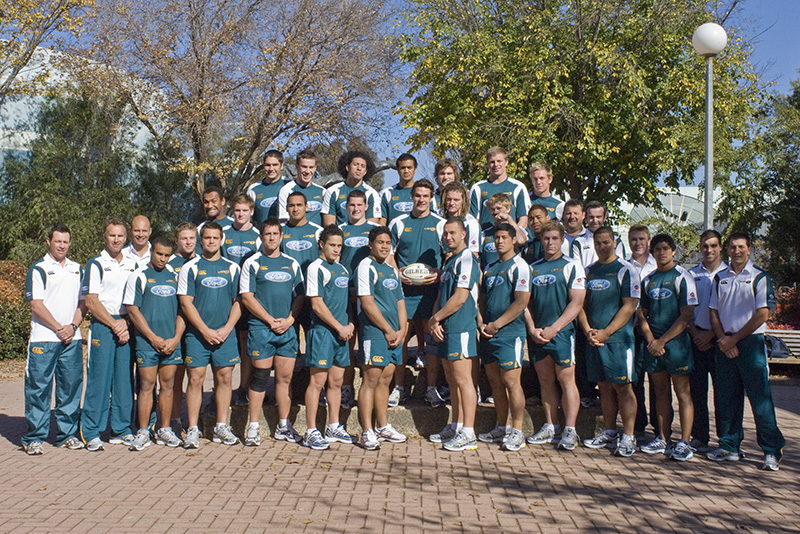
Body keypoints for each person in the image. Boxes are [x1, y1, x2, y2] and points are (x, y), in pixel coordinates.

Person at [708, 232, 785, 471]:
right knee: (727, 398)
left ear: (749, 249)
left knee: (760, 400)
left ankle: (772, 451)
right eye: (732, 247)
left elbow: (763, 314)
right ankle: (730, 446)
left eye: (741, 247)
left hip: (750, 343)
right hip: (725, 344)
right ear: (727, 250)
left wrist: (734, 340)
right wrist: (723, 339)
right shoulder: (720, 278)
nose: (736, 251)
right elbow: (713, 312)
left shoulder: (759, 276)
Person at [239, 218, 305, 446]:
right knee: (259, 378)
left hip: (286, 330)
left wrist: (289, 321)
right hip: (261, 329)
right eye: (267, 234)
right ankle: (253, 427)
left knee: (284, 379)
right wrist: (269, 320)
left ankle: (283, 426)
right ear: (261, 237)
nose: (271, 237)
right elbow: (247, 297)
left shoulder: (291, 263)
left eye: (275, 233)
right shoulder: (252, 263)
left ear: (281, 236)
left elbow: (300, 297)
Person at [22, 224, 87, 455]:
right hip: (44, 339)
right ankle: (34, 437)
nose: (61, 245)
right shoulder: (38, 269)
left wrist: (72, 327)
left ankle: (66, 435)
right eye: (57, 241)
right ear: (48, 241)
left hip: (72, 338)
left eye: (65, 241)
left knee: (70, 388)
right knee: (38, 388)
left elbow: (84, 302)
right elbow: (36, 304)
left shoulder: (77, 269)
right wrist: (59, 328)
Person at [177, 222, 242, 448]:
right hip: (197, 336)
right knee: (195, 380)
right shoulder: (190, 268)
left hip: (225, 334)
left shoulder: (233, 268)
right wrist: (204, 330)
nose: (211, 241)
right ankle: (193, 429)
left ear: (222, 240)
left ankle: (221, 427)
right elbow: (186, 304)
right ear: (200, 240)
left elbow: (239, 302)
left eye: (215, 238)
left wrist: (225, 329)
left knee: (224, 379)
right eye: (207, 238)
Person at [577, 227, 640, 457]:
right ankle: (610, 431)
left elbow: (629, 305)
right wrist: (588, 331)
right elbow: (580, 305)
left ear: (614, 242)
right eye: (598, 243)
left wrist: (607, 332)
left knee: (623, 387)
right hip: (594, 341)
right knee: (603, 387)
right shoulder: (589, 271)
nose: (602, 247)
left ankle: (629, 436)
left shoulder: (626, 270)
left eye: (606, 242)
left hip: (619, 341)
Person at [525, 220, 586, 450]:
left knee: (566, 380)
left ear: (562, 240)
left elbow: (577, 302)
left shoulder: (572, 265)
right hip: (539, 334)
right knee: (545, 380)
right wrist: (533, 329)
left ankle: (570, 430)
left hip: (561, 334)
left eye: (554, 238)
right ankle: (551, 426)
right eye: (546, 238)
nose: (550, 242)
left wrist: (555, 328)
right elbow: (525, 302)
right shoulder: (533, 268)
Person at [80, 219, 140, 451]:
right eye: (112, 235)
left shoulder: (132, 263)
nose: (116, 240)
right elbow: (91, 301)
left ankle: (121, 430)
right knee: (99, 380)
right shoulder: (96, 263)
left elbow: (135, 297)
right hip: (104, 326)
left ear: (125, 238)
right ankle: (91, 431)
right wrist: (115, 324)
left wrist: (124, 323)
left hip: (126, 324)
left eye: (120, 236)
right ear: (105, 237)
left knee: (125, 379)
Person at [637, 233, 697, 461]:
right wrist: (652, 340)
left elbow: (686, 315)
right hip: (653, 346)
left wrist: (663, 341)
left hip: (676, 345)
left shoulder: (683, 277)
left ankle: (685, 442)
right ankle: (662, 437)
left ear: (673, 251)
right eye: (657, 249)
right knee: (660, 392)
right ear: (652, 253)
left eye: (665, 248)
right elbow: (641, 313)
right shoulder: (649, 279)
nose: (661, 253)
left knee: (682, 393)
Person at [124, 235, 186, 450]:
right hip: (147, 342)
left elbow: (183, 310)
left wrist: (175, 338)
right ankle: (142, 432)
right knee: (147, 386)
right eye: (159, 254)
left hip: (170, 342)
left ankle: (165, 430)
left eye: (167, 255)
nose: (163, 259)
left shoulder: (175, 276)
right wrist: (152, 337)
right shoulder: (138, 275)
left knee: (168, 386)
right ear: (151, 251)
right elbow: (133, 310)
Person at [387, 179, 445, 406]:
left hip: (431, 293)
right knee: (400, 340)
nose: (421, 200)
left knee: (430, 344)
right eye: (417, 195)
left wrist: (439, 273)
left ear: (432, 198)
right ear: (411, 197)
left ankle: (431, 389)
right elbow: (389, 254)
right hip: (404, 293)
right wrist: (396, 273)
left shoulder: (440, 224)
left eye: (425, 196)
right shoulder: (399, 223)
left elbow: (449, 255)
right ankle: (399, 388)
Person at [477, 223, 531, 451]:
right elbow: (481, 299)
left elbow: (521, 301)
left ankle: (517, 431)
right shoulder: (489, 268)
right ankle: (502, 426)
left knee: (511, 382)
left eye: (503, 237)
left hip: (509, 333)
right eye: (496, 238)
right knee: (495, 382)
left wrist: (498, 324)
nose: (499, 241)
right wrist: (481, 322)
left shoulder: (520, 266)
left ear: (513, 240)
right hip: (488, 333)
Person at [428, 218, 481, 451]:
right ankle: (457, 424)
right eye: (445, 233)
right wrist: (434, 321)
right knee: (452, 381)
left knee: (463, 380)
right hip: (445, 328)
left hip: (461, 327)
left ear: (464, 234)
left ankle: (469, 432)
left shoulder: (468, 258)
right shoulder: (450, 262)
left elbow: (460, 297)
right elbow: (442, 296)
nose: (448, 237)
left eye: (453, 233)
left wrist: (437, 318)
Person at [303, 225, 357, 450]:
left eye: (339, 246)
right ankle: (310, 430)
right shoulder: (315, 268)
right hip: (323, 333)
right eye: (332, 245)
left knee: (336, 382)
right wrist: (338, 327)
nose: (336, 250)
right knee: (317, 382)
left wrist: (350, 324)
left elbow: (348, 303)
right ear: (321, 244)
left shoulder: (343, 270)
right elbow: (316, 304)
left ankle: (333, 426)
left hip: (341, 335)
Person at [355, 226, 408, 450]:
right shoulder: (365, 266)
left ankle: (382, 426)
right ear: (371, 244)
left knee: (386, 379)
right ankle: (367, 430)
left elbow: (400, 302)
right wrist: (387, 329)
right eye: (380, 242)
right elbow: (367, 303)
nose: (384, 246)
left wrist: (403, 330)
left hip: (394, 334)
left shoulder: (391, 270)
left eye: (388, 242)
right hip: (375, 333)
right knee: (371, 380)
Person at [338, 190, 380, 409]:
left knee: (368, 342)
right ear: (346, 207)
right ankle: (346, 388)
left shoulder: (374, 229)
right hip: (346, 294)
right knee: (347, 343)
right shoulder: (341, 230)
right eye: (351, 205)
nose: (355, 209)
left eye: (359, 205)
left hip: (370, 296)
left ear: (366, 206)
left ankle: (368, 386)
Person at [687, 229, 726, 453]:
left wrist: (711, 334)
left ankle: (726, 439)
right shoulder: (692, 275)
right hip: (696, 339)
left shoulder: (729, 274)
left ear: (720, 247)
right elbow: (687, 310)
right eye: (705, 246)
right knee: (697, 392)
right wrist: (696, 334)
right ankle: (700, 437)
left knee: (723, 393)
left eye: (713, 245)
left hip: (720, 341)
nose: (709, 250)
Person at [222, 194, 261, 404]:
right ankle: (223, 389)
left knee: (246, 343)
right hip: (225, 296)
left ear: (252, 212)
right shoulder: (223, 234)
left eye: (245, 211)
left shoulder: (257, 236)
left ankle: (244, 387)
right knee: (228, 341)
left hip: (248, 297)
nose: (240, 214)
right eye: (237, 210)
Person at [627, 223, 658, 435]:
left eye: (641, 239)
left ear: (648, 241)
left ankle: (659, 427)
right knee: (634, 378)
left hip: (655, 330)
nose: (638, 243)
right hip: (630, 330)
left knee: (658, 381)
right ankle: (638, 426)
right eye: (634, 240)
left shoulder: (659, 266)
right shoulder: (623, 266)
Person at [167, 222, 197, 433]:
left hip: (197, 328)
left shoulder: (203, 262)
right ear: (176, 241)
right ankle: (174, 419)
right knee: (175, 377)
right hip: (174, 326)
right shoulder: (168, 264)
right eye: (184, 238)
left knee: (196, 376)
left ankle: (196, 419)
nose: (188, 242)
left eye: (192, 238)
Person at [469, 147, 530, 231]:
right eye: (492, 162)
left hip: (510, 240)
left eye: (499, 161)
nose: (496, 165)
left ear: (506, 162)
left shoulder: (518, 187)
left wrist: (514, 237)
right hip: (486, 239)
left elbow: (523, 218)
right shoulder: (478, 188)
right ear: (487, 164)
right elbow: (473, 220)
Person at [321, 151, 381, 226]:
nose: (359, 168)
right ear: (347, 167)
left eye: (363, 166)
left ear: (365, 171)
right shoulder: (333, 191)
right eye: (356, 164)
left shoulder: (371, 194)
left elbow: (372, 226)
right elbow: (329, 226)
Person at [379, 153, 437, 225]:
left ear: (415, 169)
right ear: (397, 169)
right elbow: (382, 221)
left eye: (409, 168)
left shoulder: (425, 192)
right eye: (403, 168)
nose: (406, 171)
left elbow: (433, 218)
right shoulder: (386, 193)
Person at [571, 201, 626, 268]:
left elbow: (620, 266)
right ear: (585, 217)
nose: (595, 221)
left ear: (605, 217)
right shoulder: (578, 241)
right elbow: (576, 270)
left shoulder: (615, 240)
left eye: (598, 217)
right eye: (591, 217)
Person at [277, 149, 326, 226]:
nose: (307, 171)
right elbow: (284, 221)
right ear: (296, 167)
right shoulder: (286, 190)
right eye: (304, 167)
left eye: (311, 167)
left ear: (315, 168)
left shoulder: (322, 191)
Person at [479, 193, 526, 270]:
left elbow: (521, 241)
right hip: (491, 273)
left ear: (508, 209)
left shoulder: (517, 229)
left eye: (499, 208)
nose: (495, 212)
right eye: (492, 209)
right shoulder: (484, 233)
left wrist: (508, 218)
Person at [440, 181, 480, 256]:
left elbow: (474, 255)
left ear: (463, 201)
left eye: (456, 200)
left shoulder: (471, 224)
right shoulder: (439, 221)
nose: (451, 203)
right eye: (449, 199)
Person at [247, 149, 287, 225]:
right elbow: (249, 220)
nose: (271, 169)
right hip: (262, 235)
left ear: (281, 166)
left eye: (275, 165)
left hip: (287, 235)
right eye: (268, 165)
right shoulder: (254, 189)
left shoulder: (289, 185)